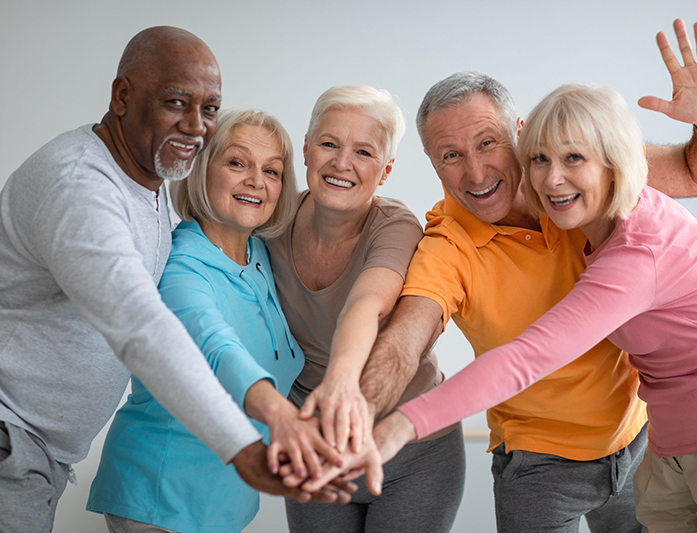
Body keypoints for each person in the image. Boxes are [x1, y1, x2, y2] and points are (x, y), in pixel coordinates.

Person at [299, 19, 697, 533]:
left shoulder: (580, 170)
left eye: (487, 143)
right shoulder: (447, 243)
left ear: (522, 132)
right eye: (451, 156)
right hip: (539, 466)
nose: (476, 172)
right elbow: (403, 341)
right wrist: (355, 411)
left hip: (640, 439)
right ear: (432, 165)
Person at [378, 82, 697, 532]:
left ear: (614, 163)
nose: (554, 178)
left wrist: (404, 424)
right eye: (541, 160)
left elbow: (528, 357)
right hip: (663, 444)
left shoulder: (635, 249)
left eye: (573, 159)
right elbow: (408, 331)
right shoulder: (567, 218)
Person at [0, 27, 340, 533]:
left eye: (209, 109)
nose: (195, 126)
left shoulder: (147, 185)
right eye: (176, 102)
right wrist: (246, 447)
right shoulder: (80, 188)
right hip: (14, 436)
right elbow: (143, 329)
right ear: (122, 97)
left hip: (41, 454)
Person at [86, 108, 347, 533]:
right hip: (163, 492)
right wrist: (282, 416)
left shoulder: (262, 255)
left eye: (272, 171)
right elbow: (216, 346)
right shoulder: (179, 265)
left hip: (225, 498)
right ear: (203, 169)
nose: (257, 181)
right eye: (237, 163)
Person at [266, 84, 465, 533]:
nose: (342, 163)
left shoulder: (396, 225)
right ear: (306, 150)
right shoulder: (271, 221)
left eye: (364, 152)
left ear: (386, 169)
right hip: (318, 441)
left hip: (414, 450)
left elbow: (366, 304)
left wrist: (340, 384)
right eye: (329, 144)